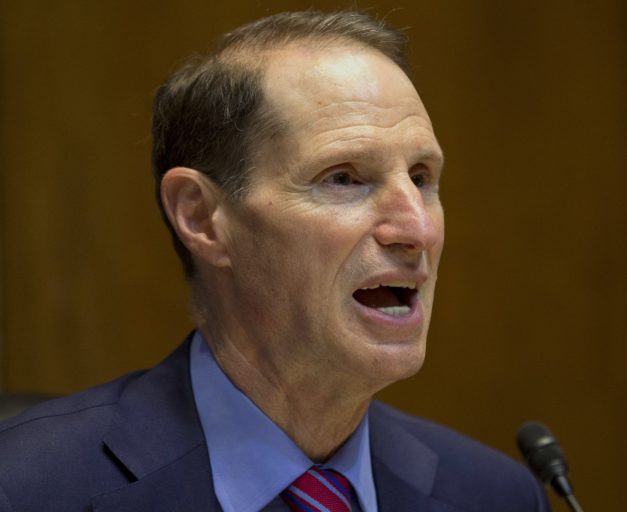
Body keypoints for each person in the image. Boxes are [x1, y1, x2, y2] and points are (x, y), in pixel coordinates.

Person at [0, 10, 549, 512]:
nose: (418, 229)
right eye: (344, 178)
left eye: (421, 178)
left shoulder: (497, 496)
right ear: (201, 217)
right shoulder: (27, 487)